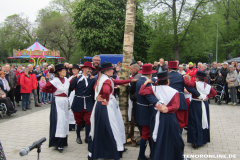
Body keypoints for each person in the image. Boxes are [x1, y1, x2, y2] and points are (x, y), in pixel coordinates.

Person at [88, 62, 135, 160]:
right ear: (107, 70)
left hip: (100, 106)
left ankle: (96, 151)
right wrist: (107, 99)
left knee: (100, 128)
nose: (113, 70)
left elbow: (116, 82)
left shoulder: (102, 78)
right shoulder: (107, 80)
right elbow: (105, 90)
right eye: (112, 69)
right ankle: (112, 150)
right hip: (106, 106)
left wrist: (130, 80)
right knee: (110, 127)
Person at [138, 71, 184, 160]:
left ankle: (157, 155)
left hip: (156, 116)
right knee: (172, 136)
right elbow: (176, 106)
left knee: (157, 135)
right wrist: (168, 109)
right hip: (169, 117)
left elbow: (141, 92)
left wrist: (146, 83)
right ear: (167, 81)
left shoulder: (153, 89)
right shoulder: (174, 92)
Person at [42, 64, 74, 152]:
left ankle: (63, 141)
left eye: (65, 70)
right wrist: (53, 91)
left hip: (65, 101)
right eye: (63, 70)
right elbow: (44, 88)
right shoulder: (55, 81)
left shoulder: (66, 80)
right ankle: (57, 143)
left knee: (64, 120)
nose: (65, 71)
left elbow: (70, 87)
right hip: (58, 101)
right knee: (59, 121)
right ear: (59, 72)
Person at [183, 71, 217, 149]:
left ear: (197, 78)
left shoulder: (195, 84)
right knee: (203, 121)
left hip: (195, 103)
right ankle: (203, 139)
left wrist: (184, 76)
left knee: (194, 121)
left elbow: (187, 83)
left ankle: (194, 140)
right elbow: (214, 93)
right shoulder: (208, 86)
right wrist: (206, 96)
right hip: (204, 104)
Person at [136, 64, 159, 160]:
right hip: (147, 111)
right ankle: (141, 156)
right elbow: (149, 97)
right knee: (146, 134)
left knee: (147, 133)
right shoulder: (146, 83)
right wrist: (158, 103)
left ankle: (151, 154)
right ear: (149, 74)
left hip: (141, 109)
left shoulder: (139, 80)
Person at [69, 62, 96, 145]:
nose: (90, 70)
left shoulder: (93, 79)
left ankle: (87, 137)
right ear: (83, 69)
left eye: (91, 69)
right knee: (78, 121)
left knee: (88, 121)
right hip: (78, 102)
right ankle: (78, 137)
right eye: (88, 68)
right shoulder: (76, 78)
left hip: (88, 103)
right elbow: (69, 88)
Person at [126, 63, 142, 143]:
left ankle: (143, 138)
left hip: (136, 101)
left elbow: (131, 90)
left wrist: (126, 86)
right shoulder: (139, 76)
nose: (130, 71)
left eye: (131, 69)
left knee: (138, 119)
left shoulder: (136, 77)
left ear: (135, 69)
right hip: (139, 100)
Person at [68, 64, 81, 131]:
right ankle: (70, 124)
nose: (74, 70)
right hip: (71, 94)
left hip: (77, 94)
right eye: (73, 69)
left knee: (77, 109)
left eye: (75, 69)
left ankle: (78, 124)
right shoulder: (70, 77)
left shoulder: (80, 77)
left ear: (78, 70)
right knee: (70, 109)